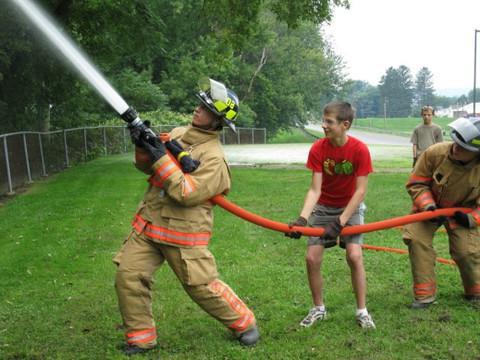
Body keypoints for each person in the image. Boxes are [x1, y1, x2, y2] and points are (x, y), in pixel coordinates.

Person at [114, 78, 259, 356]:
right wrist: (143, 147)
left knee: (201, 286)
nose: (197, 110)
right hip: (149, 224)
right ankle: (141, 338)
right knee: (128, 275)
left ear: (217, 121)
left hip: (182, 233)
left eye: (204, 109)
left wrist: (159, 156)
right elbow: (149, 169)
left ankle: (244, 322)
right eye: (199, 104)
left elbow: (186, 192)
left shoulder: (215, 159)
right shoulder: (179, 133)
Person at [286, 101, 376, 329]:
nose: (323, 125)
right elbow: (315, 189)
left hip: (351, 208)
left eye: (329, 121)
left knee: (354, 256)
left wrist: (341, 222)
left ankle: (362, 311)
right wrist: (303, 219)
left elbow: (361, 191)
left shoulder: (359, 150)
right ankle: (318, 308)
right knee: (311, 258)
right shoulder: (318, 149)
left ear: (345, 124)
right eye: (323, 120)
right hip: (324, 208)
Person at [403, 117, 480, 308]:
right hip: (429, 209)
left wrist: (471, 219)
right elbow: (416, 183)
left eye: (463, 148)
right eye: (456, 142)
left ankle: (475, 291)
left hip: (462, 213)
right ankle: (424, 296)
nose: (456, 148)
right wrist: (429, 207)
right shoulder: (435, 153)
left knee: (466, 252)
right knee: (416, 239)